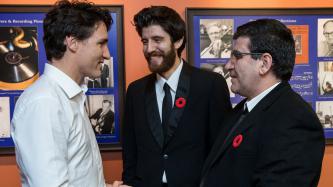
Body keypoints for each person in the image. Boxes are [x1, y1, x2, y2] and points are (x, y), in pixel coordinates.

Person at [11, 1, 127, 186]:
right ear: (72, 43)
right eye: (101, 43)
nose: (106, 54)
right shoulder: (45, 103)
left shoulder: (69, 97)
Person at [200, 19, 325, 187]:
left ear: (264, 63)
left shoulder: (296, 120)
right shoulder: (241, 111)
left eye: (236, 56)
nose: (228, 65)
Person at [122, 6, 232, 187]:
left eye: (157, 40)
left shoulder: (210, 85)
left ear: (178, 41)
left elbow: (220, 150)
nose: (149, 49)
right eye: (144, 41)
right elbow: (130, 151)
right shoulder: (135, 91)